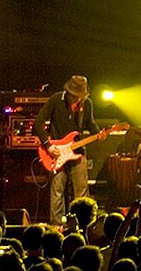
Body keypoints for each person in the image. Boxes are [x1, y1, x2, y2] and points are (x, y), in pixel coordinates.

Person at [34, 75, 106, 226]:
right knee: (57, 190)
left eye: (79, 96)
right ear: (68, 92)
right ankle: (56, 224)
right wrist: (48, 145)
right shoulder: (56, 100)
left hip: (78, 152)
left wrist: (99, 134)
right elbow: (38, 123)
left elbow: (90, 124)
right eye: (74, 96)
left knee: (81, 190)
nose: (76, 99)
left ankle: (83, 223)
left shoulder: (87, 104)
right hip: (56, 152)